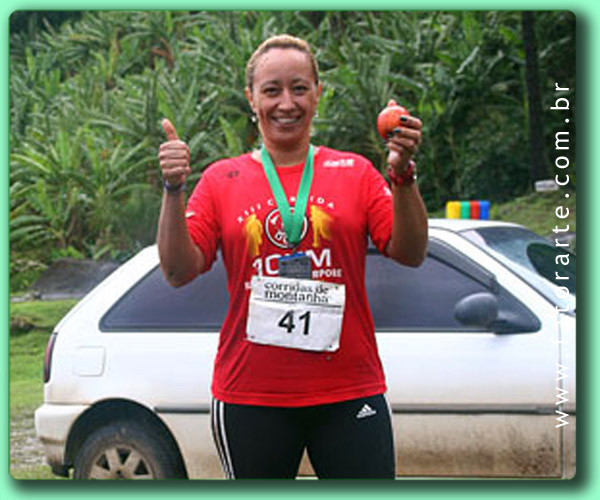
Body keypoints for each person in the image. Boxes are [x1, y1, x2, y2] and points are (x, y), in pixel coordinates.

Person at [157, 34, 428, 479]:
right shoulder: (221, 179)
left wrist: (402, 175)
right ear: (252, 98)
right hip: (251, 396)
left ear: (318, 94)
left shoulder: (356, 172)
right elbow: (176, 270)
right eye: (272, 90)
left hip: (348, 390)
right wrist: (173, 189)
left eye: (299, 88)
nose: (287, 103)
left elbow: (412, 252)